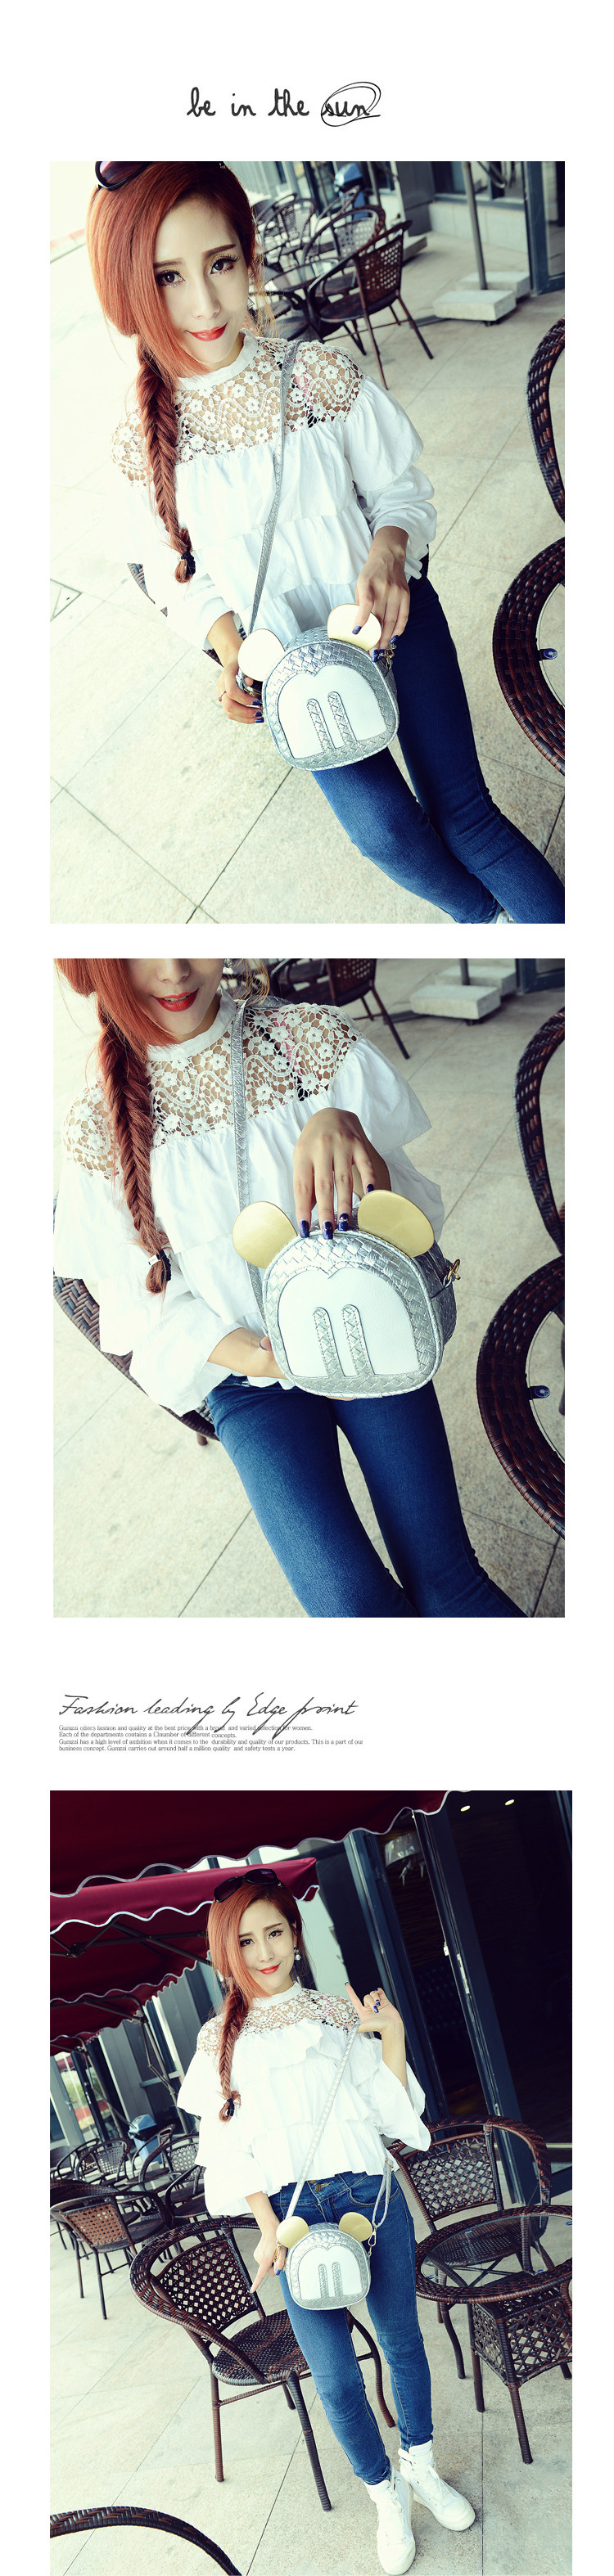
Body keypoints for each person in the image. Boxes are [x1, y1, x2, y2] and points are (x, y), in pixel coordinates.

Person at [86, 162, 564, 928]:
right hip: (287, 668)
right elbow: (173, 573)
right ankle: (486, 920)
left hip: (395, 623)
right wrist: (229, 649)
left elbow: (400, 491)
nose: (206, 303)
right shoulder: (139, 444)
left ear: (248, 258)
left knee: (467, 816)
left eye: (221, 263)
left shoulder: (317, 376)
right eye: (168, 276)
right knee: (385, 834)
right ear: (129, 289)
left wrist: (389, 550)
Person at [53, 956, 524, 1619]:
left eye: (188, 944)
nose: (174, 971)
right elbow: (141, 1310)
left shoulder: (308, 1040)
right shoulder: (96, 1124)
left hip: (362, 1334)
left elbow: (406, 1229)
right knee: (352, 1609)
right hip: (250, 1379)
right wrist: (265, 1357)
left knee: (449, 1580)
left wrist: (350, 1133)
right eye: (136, 952)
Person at [178, 1869, 476, 2574]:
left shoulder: (335, 2013)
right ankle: (384, 2493)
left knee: (402, 2343)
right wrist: (264, 2225)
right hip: (294, 2222)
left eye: (275, 1932)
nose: (264, 1953)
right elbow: (228, 2149)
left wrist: (392, 2035)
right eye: (245, 1941)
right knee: (336, 2377)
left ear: (295, 1935)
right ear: (226, 1952)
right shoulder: (219, 2042)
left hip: (371, 2195)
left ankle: (421, 2465)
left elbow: (390, 2113)